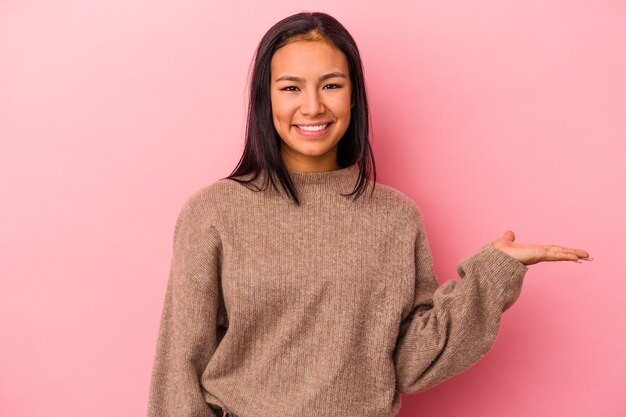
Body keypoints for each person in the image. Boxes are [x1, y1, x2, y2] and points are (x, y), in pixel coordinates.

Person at [147, 11, 591, 417]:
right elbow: (178, 369)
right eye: (290, 87)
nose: (313, 105)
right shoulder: (213, 212)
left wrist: (492, 276)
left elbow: (410, 362)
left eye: (331, 85)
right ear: (266, 100)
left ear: (354, 96)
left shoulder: (396, 217)